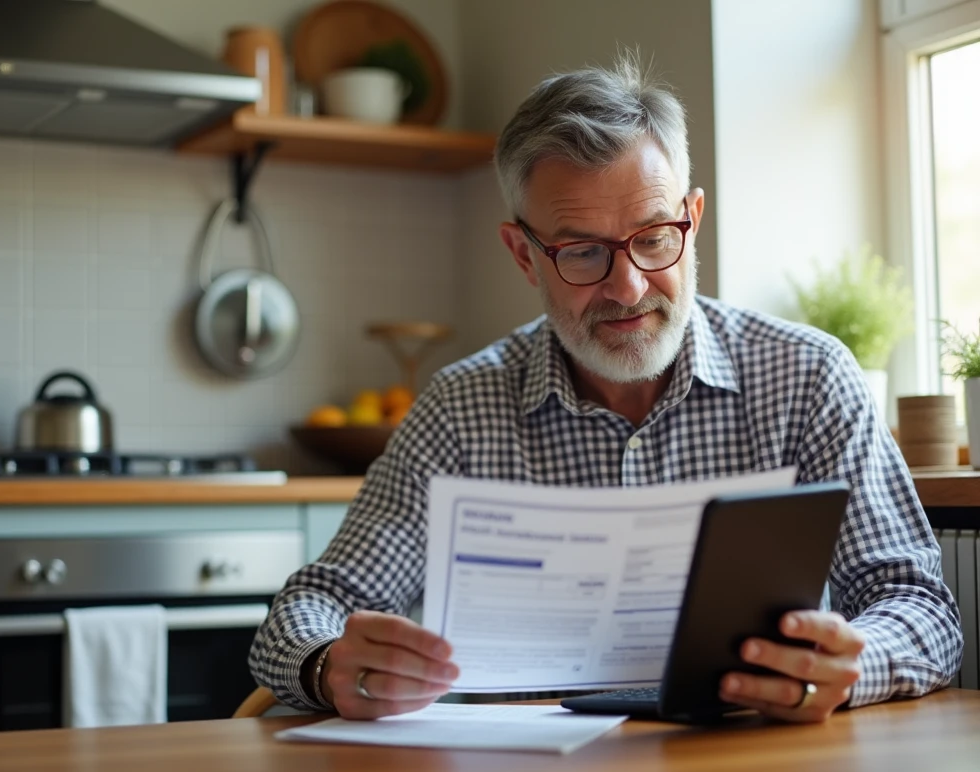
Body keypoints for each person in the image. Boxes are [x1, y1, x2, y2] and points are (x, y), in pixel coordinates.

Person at [248, 55, 963, 723]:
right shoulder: (461, 410)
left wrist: (848, 667)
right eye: (583, 251)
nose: (627, 287)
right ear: (524, 255)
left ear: (693, 219)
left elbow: (919, 607)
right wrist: (326, 667)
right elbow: (312, 607)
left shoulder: (806, 376)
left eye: (654, 238)